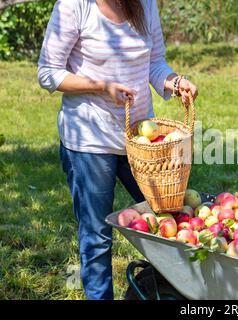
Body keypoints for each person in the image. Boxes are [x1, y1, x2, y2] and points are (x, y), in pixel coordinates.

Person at [37, 0, 198, 300]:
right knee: (98, 236)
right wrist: (101, 86)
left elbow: (154, 63)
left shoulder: (145, 4)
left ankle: (162, 291)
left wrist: (176, 83)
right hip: (89, 139)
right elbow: (48, 73)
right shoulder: (74, 6)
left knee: (171, 219)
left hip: (142, 143)